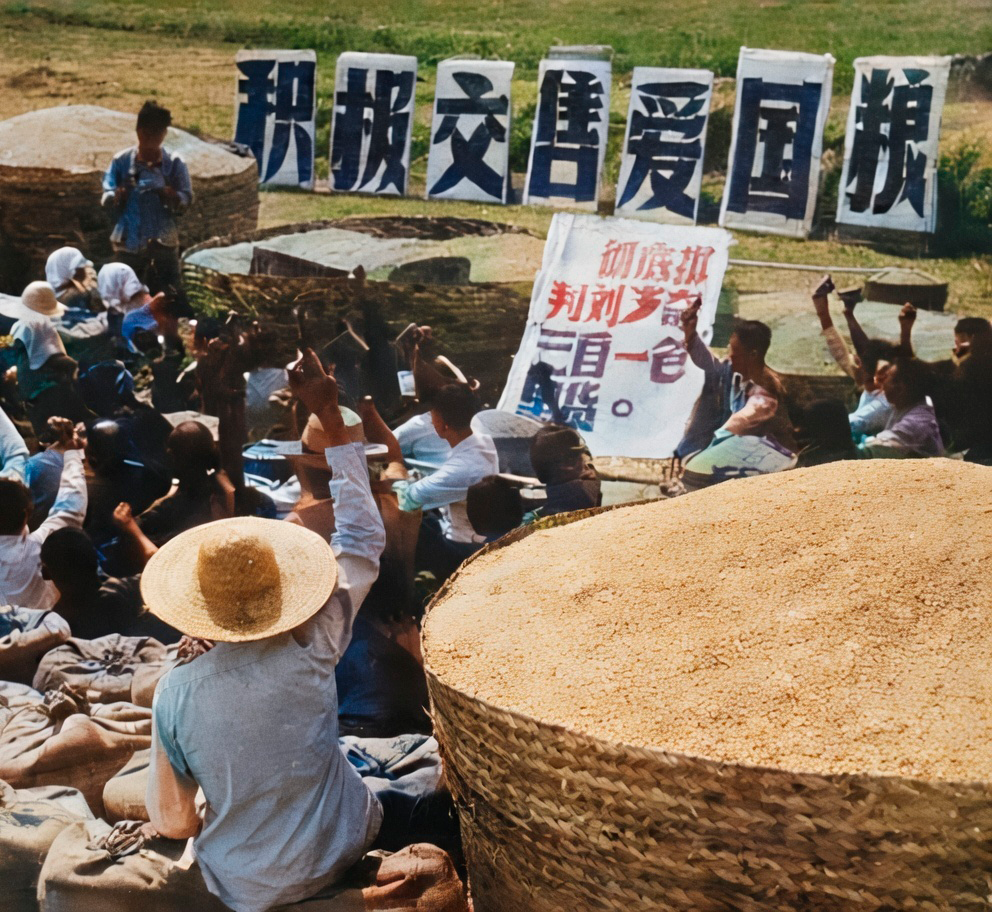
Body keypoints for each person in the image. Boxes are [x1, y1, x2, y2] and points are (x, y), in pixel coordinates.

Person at [142, 349, 388, 912]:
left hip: (245, 886)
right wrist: (330, 416)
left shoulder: (175, 692)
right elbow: (361, 540)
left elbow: (175, 823)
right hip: (343, 846)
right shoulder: (316, 642)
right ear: (281, 590)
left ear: (198, 611)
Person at [675, 298, 796, 487]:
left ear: (753, 355)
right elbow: (709, 363)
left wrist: (721, 435)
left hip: (751, 464)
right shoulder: (730, 371)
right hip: (715, 453)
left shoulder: (767, 391)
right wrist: (690, 334)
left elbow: (744, 420)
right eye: (730, 350)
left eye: (735, 352)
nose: (730, 356)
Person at [394, 384, 498, 580]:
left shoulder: (463, 468)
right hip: (481, 532)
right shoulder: (483, 441)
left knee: (400, 518)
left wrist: (394, 466)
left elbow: (406, 500)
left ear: (442, 424)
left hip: (468, 548)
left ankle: (408, 588)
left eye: (432, 416)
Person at [102, 101, 192, 313]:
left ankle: (169, 329)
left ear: (164, 133)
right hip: (128, 240)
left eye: (157, 133)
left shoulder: (174, 163)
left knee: (170, 296)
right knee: (123, 294)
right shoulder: (122, 161)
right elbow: (106, 194)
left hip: (163, 241)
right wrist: (117, 195)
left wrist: (169, 194)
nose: (152, 138)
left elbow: (186, 198)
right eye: (147, 132)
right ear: (138, 131)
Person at [0, 417, 87, 611]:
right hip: (48, 620)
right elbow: (71, 505)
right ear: (26, 513)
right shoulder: (36, 550)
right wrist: (71, 453)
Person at [39, 523, 178, 643]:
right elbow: (163, 570)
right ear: (95, 558)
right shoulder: (133, 589)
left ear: (48, 574)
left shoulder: (57, 628)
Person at [810, 276, 898, 439]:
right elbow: (838, 347)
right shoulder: (874, 383)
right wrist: (822, 307)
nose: (851, 359)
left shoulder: (881, 405)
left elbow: (844, 427)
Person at [10, 281, 92, 436]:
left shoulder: (27, 325)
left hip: (41, 396)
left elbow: (49, 357)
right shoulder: (36, 323)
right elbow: (50, 357)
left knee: (56, 437)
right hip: (47, 394)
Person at [136, 420, 234, 546]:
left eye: (171, 454)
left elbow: (161, 546)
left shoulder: (192, 505)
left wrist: (128, 525)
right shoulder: (211, 486)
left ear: (176, 459)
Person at [858, 357, 944, 459]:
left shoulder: (917, 421)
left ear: (900, 388)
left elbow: (872, 450)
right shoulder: (900, 404)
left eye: (887, 377)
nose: (882, 382)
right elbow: (860, 421)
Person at [527, 425, 601, 518]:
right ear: (568, 464)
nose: (587, 466)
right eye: (581, 456)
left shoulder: (537, 517)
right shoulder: (585, 492)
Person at [466, 475, 524, 541]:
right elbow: (518, 515)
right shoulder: (512, 492)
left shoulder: (474, 489)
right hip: (504, 529)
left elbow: (471, 513)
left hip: (483, 529)